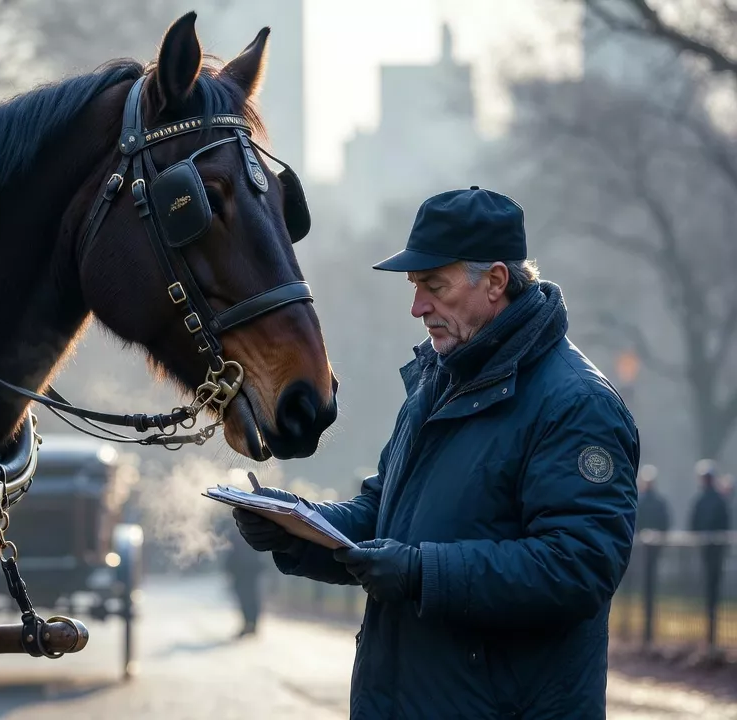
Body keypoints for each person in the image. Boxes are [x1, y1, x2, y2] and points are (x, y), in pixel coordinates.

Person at [233, 187, 640, 718]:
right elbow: (385, 516)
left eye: (434, 286)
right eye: (415, 286)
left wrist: (423, 574)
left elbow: (578, 566)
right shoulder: (439, 381)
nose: (417, 307)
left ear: (495, 282)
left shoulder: (576, 403)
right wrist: (295, 528)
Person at [688, 459, 730, 652]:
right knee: (706, 583)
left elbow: (724, 523)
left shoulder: (718, 500)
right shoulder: (702, 499)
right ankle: (708, 618)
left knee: (713, 582)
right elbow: (694, 522)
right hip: (706, 549)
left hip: (716, 549)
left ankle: (712, 619)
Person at [634, 464, 670, 645]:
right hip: (638, 554)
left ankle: (647, 633)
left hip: (651, 553)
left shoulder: (657, 502)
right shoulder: (638, 501)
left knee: (650, 590)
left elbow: (664, 524)